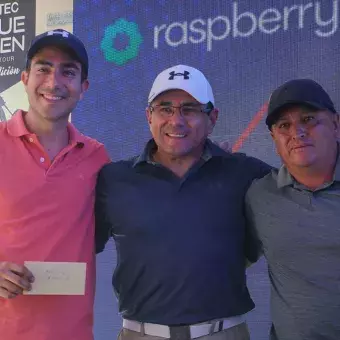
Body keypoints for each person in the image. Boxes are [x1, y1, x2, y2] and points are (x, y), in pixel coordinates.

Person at [95, 65, 271, 340]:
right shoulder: (114, 179)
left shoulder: (245, 174)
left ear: (212, 118)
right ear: (148, 116)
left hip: (223, 333)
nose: (175, 121)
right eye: (164, 108)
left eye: (189, 109)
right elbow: (72, 244)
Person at [0, 29, 109, 340]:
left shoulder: (96, 156)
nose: (53, 82)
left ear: (83, 87)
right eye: (43, 68)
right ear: (24, 78)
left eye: (68, 72)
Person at [245, 79, 340, 340]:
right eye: (284, 125)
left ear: (336, 125)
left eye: (308, 119)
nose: (296, 132)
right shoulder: (259, 195)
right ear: (274, 137)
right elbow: (230, 259)